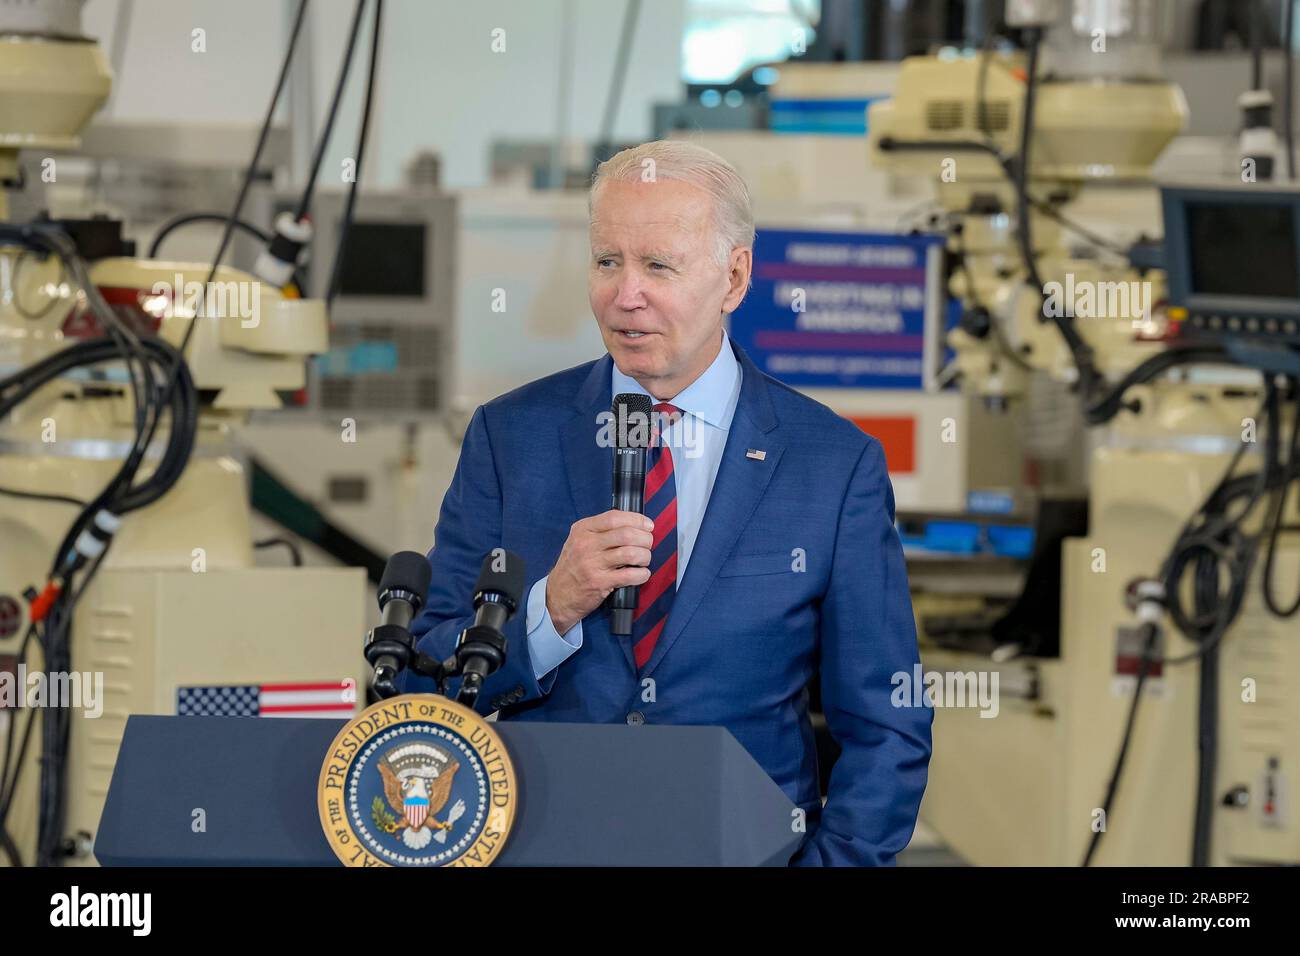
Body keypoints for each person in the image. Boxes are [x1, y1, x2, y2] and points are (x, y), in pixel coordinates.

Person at [403, 140, 931, 866]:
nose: (626, 295)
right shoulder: (509, 436)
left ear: (734, 276)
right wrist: (548, 610)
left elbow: (886, 723)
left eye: (658, 266)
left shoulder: (832, 465)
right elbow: (420, 679)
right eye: (606, 262)